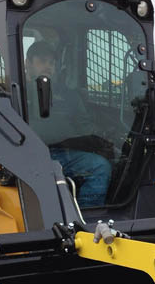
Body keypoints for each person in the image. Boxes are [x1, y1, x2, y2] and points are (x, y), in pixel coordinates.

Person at [24, 41, 111, 208]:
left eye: (52, 63)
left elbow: (84, 125)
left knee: (100, 166)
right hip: (28, 154)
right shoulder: (18, 92)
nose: (48, 66)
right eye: (42, 61)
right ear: (28, 64)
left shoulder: (69, 96)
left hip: (64, 153)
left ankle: (86, 215)